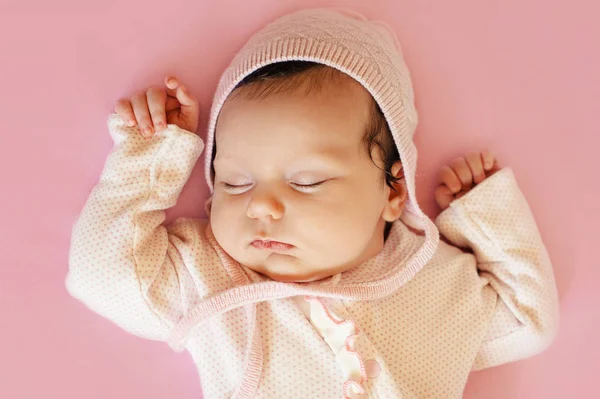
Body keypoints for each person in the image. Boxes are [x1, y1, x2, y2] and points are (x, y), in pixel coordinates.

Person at [65, 7, 559, 398]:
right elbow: (102, 275)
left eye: (306, 182)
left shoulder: (433, 279)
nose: (263, 206)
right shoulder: (209, 276)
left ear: (392, 190)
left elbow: (527, 320)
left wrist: (484, 216)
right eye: (234, 183)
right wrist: (151, 155)